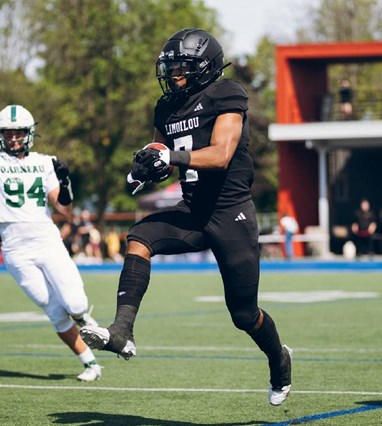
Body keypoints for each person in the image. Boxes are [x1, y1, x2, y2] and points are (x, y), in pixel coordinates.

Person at [80, 28, 292, 406]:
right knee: (139, 236)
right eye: (171, 66)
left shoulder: (227, 93)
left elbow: (221, 153)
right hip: (193, 211)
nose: (174, 73)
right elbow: (163, 149)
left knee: (243, 314)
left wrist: (171, 158)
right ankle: (122, 330)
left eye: (181, 66)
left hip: (231, 214)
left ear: (204, 67)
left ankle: (279, 357)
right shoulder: (166, 107)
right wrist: (147, 165)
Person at [0, 104, 102, 382]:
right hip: (14, 249)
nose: (13, 138)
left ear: (29, 133)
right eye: (7, 133)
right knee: (55, 311)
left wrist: (65, 182)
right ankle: (91, 363)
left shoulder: (45, 162)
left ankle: (83, 318)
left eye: (18, 132)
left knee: (75, 303)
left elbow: (65, 210)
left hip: (46, 241)